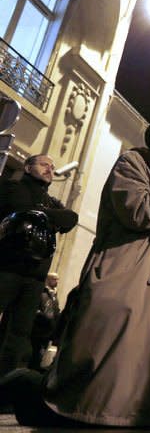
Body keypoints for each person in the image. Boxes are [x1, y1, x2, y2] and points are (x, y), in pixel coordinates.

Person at [0, 108, 150, 428]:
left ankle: (138, 416)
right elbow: (138, 211)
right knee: (104, 363)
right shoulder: (133, 163)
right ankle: (56, 403)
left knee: (146, 365)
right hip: (124, 277)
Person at [0, 154, 78, 376]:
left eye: (53, 167)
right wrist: (48, 216)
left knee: (19, 333)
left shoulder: (50, 201)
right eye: (44, 165)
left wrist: (38, 213)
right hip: (6, 268)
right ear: (27, 167)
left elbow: (70, 218)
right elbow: (19, 205)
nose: (50, 170)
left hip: (35, 277)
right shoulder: (12, 187)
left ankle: (4, 384)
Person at [29, 272, 61, 370]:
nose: (57, 281)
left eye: (57, 279)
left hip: (48, 329)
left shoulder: (54, 294)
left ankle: (36, 367)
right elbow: (35, 308)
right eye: (54, 279)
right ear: (48, 279)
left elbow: (55, 309)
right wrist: (44, 316)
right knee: (35, 350)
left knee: (42, 351)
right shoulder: (42, 292)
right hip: (39, 328)